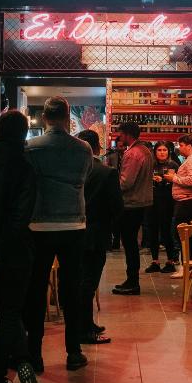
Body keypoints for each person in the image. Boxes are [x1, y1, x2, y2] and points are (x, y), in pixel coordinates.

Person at [23, 97, 93, 372]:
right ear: (67, 118)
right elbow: (84, 178)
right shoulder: (84, 149)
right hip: (74, 225)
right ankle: (73, 352)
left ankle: (35, 355)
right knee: (72, 290)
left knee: (36, 290)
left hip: (39, 224)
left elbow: (27, 183)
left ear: (44, 118)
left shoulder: (31, 147)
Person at [0, 110, 44, 383]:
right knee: (9, 313)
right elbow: (20, 217)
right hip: (14, 252)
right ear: (23, 134)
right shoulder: (24, 166)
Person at [75, 130, 123, 345]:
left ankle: (86, 324)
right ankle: (84, 330)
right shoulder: (106, 172)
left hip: (74, 231)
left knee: (81, 282)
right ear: (96, 147)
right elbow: (117, 207)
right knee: (88, 283)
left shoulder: (72, 170)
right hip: (96, 232)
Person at [112, 122, 154, 295]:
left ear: (127, 134)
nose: (119, 136)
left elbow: (126, 182)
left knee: (129, 243)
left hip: (131, 203)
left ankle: (132, 282)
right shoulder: (145, 151)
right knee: (131, 243)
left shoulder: (133, 153)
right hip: (142, 201)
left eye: (120, 133)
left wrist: (111, 185)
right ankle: (132, 280)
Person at [164, 135, 192, 275]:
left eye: (181, 145)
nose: (179, 147)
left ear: (189, 146)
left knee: (185, 235)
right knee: (182, 235)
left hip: (190, 202)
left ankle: (188, 267)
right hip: (187, 201)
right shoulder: (191, 159)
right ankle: (187, 266)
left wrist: (173, 178)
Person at [144, 142, 179, 274]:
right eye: (159, 150)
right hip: (151, 200)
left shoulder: (172, 164)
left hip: (167, 201)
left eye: (164, 150)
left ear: (168, 152)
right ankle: (155, 261)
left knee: (166, 231)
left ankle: (170, 261)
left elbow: (174, 181)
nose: (162, 152)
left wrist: (163, 180)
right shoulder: (150, 164)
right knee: (152, 231)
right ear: (155, 151)